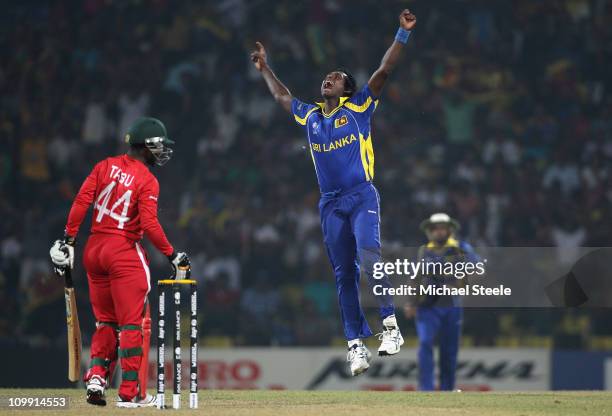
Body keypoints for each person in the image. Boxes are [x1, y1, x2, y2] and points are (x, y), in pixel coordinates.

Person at [251, 9, 416, 376]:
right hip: (330, 205)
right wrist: (265, 68)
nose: (329, 78)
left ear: (348, 90)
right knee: (343, 275)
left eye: (337, 78)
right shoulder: (310, 116)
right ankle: (356, 345)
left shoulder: (359, 109)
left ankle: (391, 328)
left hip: (361, 196)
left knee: (370, 258)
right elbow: (282, 97)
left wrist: (402, 34)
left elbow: (383, 71)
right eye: (327, 76)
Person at [49, 117, 190, 407]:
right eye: (160, 145)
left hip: (94, 250)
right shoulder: (148, 179)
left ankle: (97, 379)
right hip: (123, 250)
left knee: (105, 323)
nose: (163, 151)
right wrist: (172, 254)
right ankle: (131, 394)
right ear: (147, 145)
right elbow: (149, 224)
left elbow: (81, 201)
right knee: (132, 324)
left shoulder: (104, 166)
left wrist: (69, 240)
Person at [404, 213, 480, 391]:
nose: (439, 232)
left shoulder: (461, 248)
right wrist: (410, 302)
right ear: (430, 231)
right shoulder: (424, 250)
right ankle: (426, 389)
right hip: (427, 306)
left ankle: (447, 389)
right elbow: (415, 278)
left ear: (449, 230)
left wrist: (460, 285)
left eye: (442, 228)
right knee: (425, 343)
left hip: (451, 306)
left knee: (449, 350)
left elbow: (477, 271)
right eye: (435, 228)